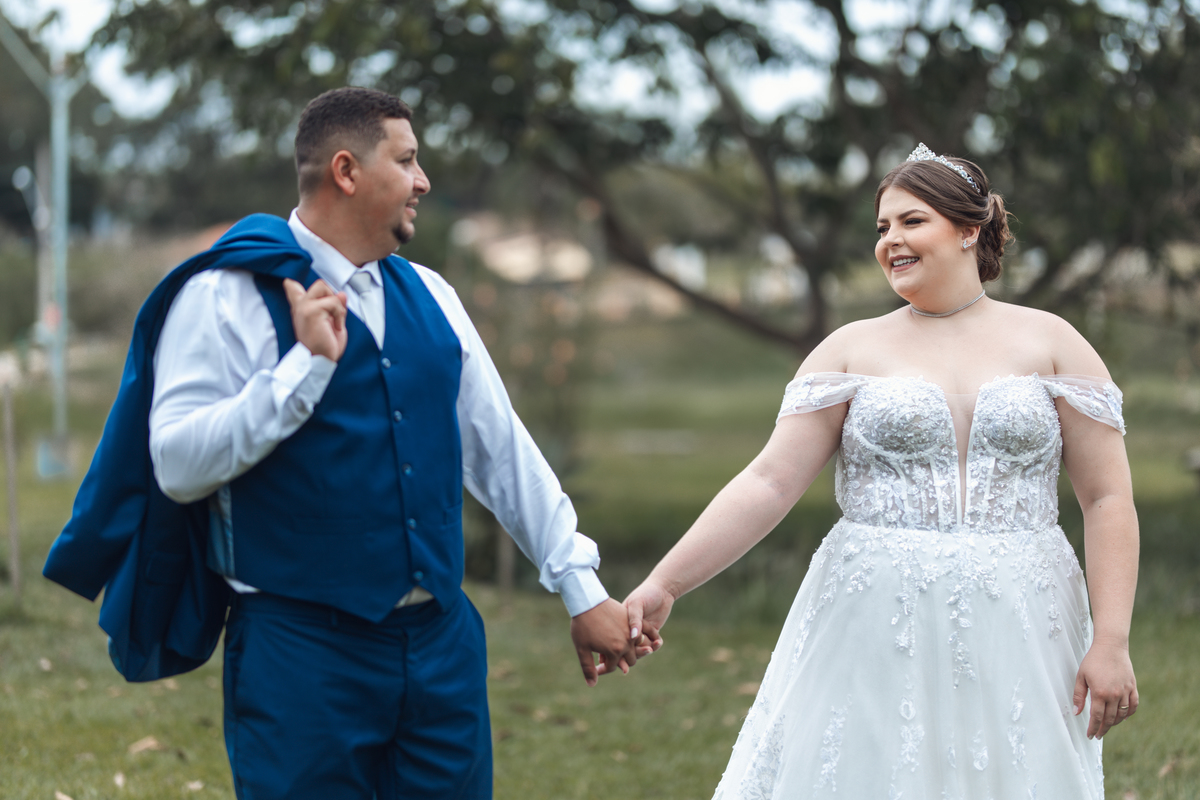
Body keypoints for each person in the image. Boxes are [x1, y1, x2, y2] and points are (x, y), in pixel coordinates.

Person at [44, 87, 645, 799]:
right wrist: (302, 370)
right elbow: (176, 465)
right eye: (407, 160)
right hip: (300, 656)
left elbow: (500, 450)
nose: (423, 181)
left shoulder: (433, 295)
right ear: (346, 171)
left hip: (441, 650)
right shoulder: (225, 296)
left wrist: (580, 588)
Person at [623, 144, 1139, 799]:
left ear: (968, 229)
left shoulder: (1054, 341)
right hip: (876, 610)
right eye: (882, 227)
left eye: (911, 221)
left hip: (1024, 611)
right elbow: (769, 482)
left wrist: (1111, 639)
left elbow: (1107, 498)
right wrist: (666, 583)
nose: (890, 239)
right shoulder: (849, 348)